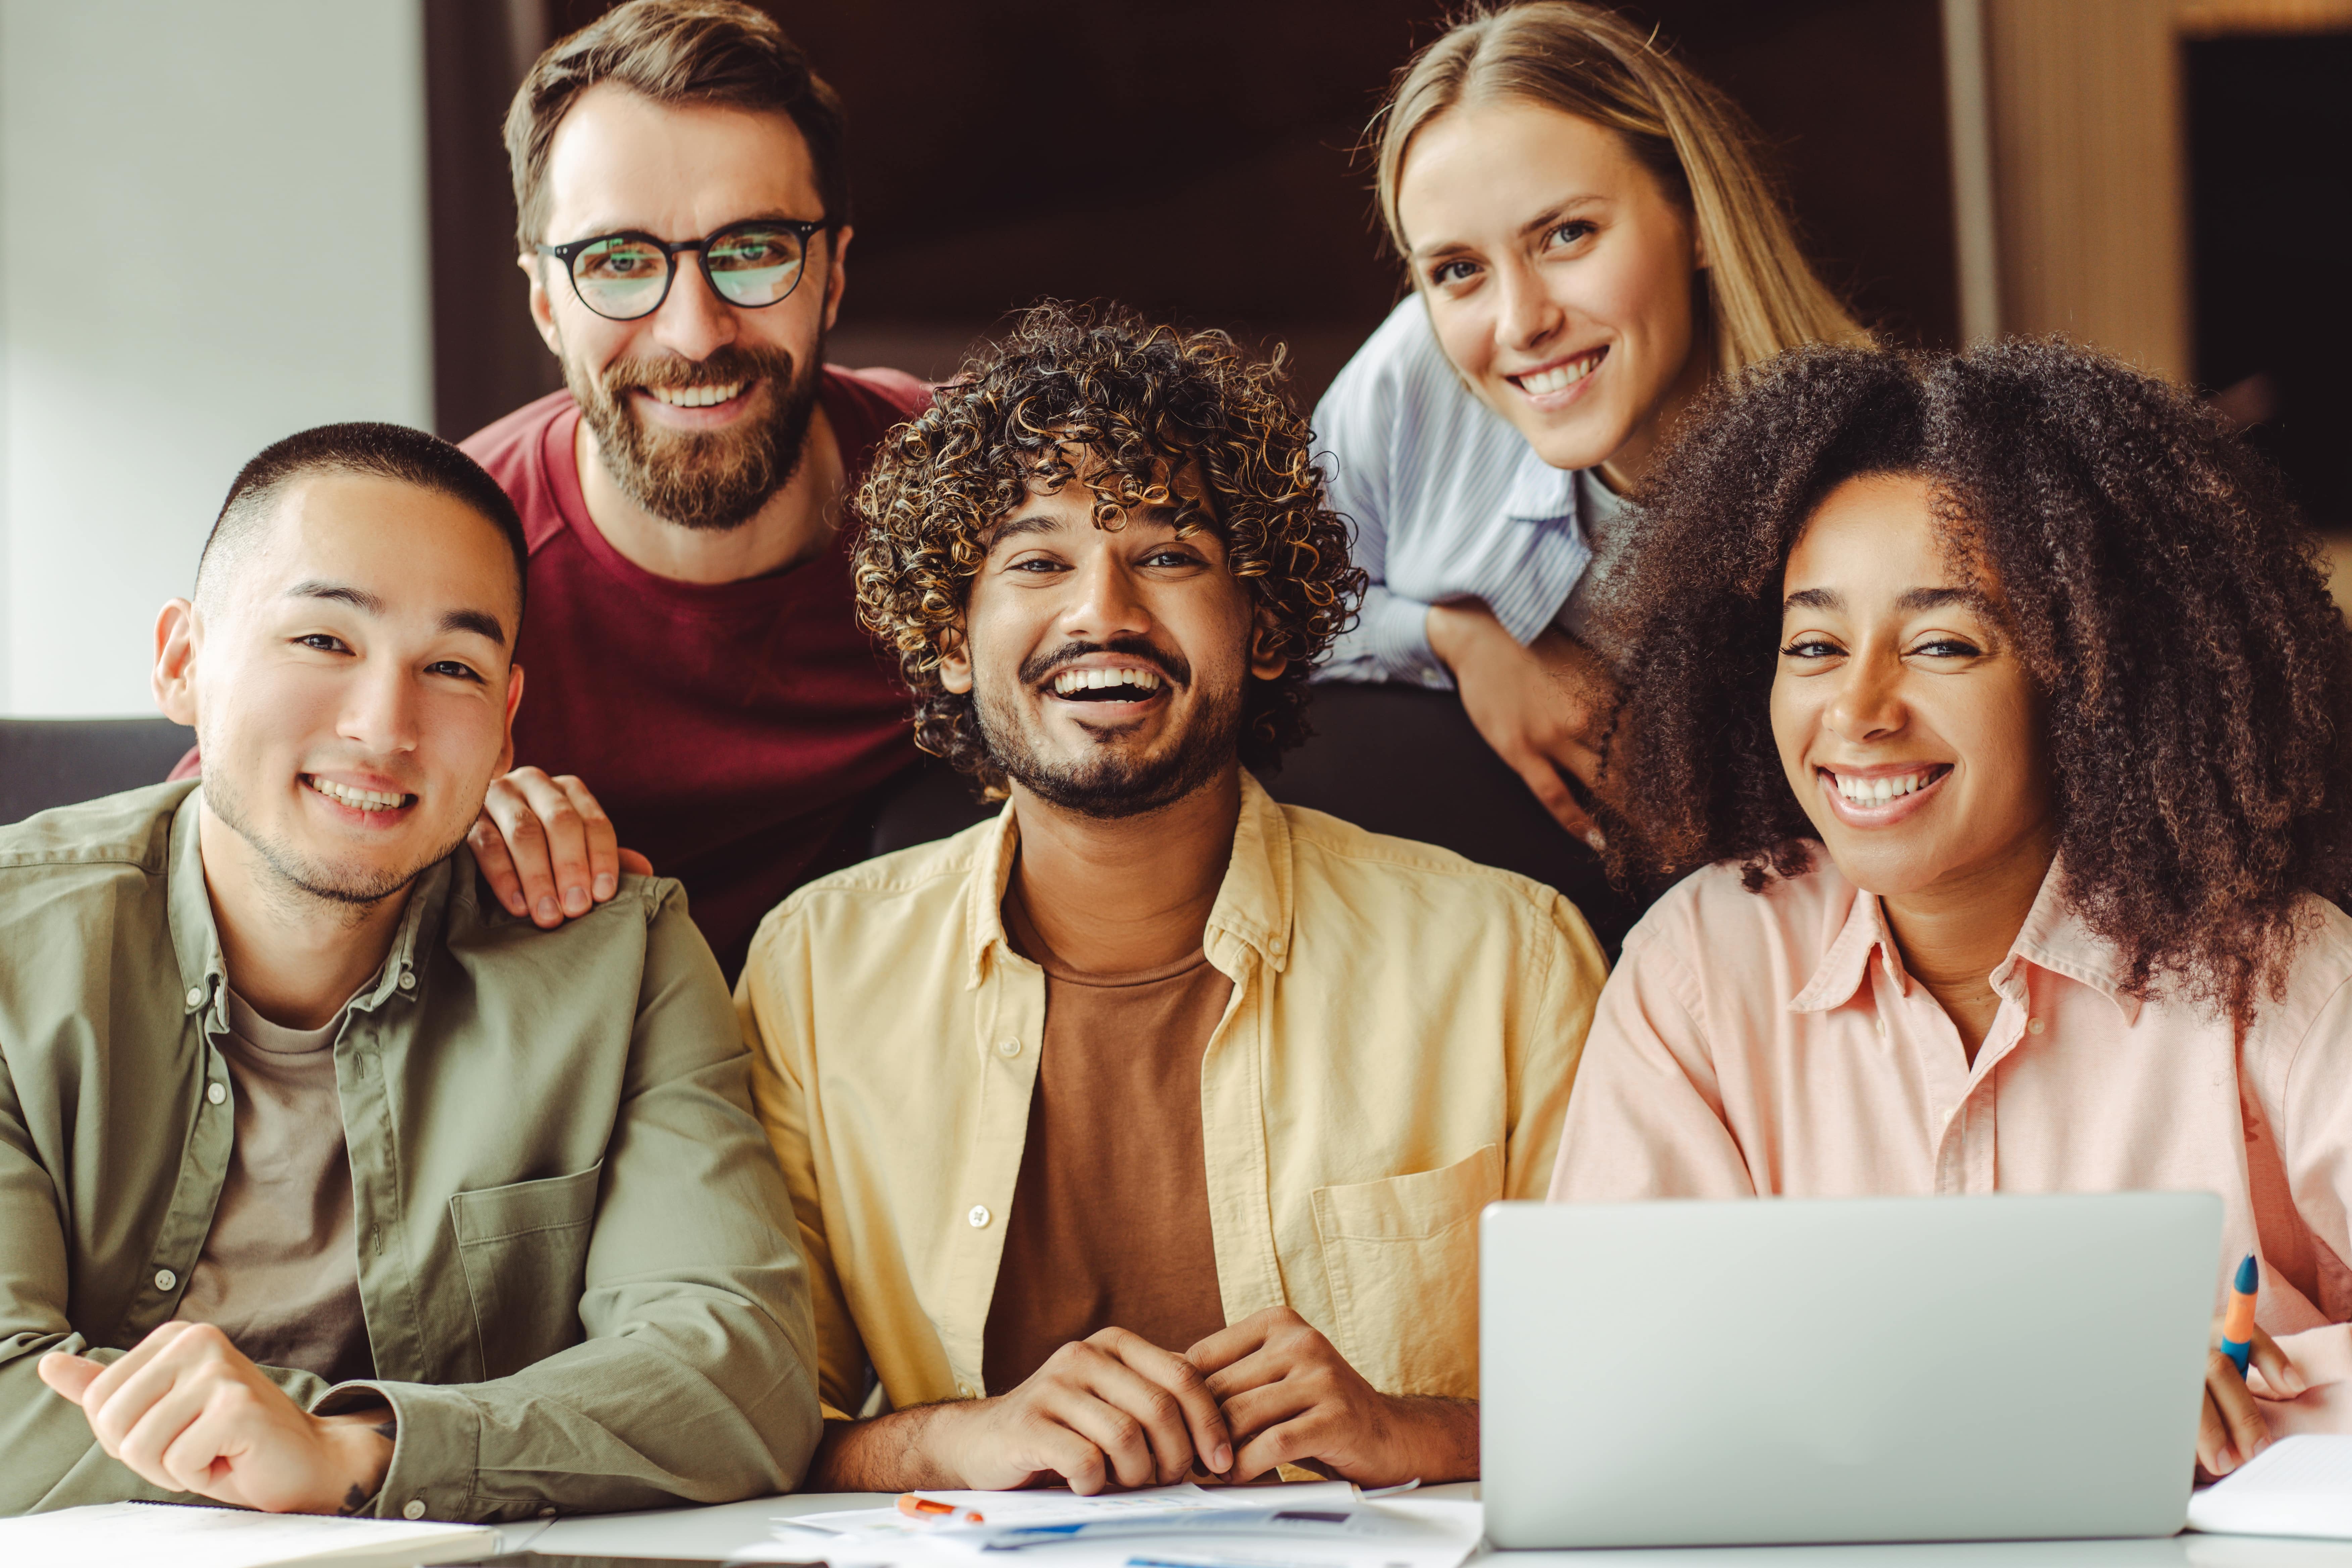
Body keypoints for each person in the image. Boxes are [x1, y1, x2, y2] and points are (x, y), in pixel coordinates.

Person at [737, 302, 1606, 1493]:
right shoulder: (812, 974)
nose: (1105, 611)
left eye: (1169, 555)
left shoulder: (1510, 962)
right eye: (1038, 561)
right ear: (949, 635)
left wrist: (1420, 1431)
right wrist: (955, 1436)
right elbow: (754, 1421)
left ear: (1259, 627)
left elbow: (1633, 1395)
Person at [1549, 339, 2352, 1483]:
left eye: (1941, 644)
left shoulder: (2281, 974)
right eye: (1814, 646)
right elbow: (1616, 1393)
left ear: (2086, 678)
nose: (1860, 709)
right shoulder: (1703, 969)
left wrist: (2251, 1410)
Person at [5, 424, 818, 1519]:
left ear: (505, 726)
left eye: (451, 668)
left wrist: (358, 1454)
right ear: (183, 663)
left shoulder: (619, 958)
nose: (384, 727)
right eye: (324, 642)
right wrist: (283, 1449)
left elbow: (740, 1378)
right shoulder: (17, 949)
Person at [172, 0, 928, 980]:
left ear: (829, 277)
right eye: (619, 263)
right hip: (550, 1074)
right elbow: (206, 855)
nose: (694, 332)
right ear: (544, 303)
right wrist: (413, 814)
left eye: (753, 253)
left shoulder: (979, 501)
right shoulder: (439, 555)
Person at [1311, 1, 1868, 939]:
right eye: (1456, 270)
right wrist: (1458, 641)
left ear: (1693, 218)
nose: (1520, 322)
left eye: (1567, 235)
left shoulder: (1869, 478)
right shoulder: (1415, 375)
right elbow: (1263, 608)